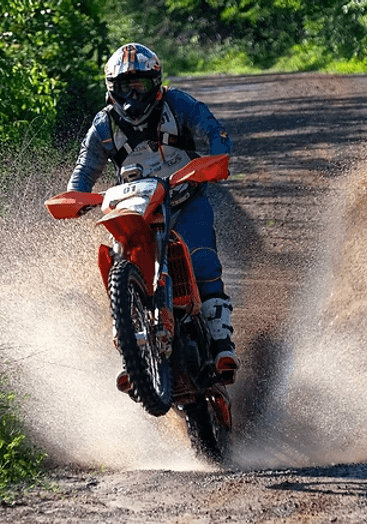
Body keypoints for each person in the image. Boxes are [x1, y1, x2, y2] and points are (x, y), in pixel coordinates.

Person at [67, 43, 238, 390]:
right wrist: (75, 195)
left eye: (140, 85)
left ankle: (222, 345)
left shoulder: (178, 104)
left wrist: (218, 158)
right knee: (118, 265)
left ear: (155, 83)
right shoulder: (103, 125)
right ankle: (131, 355)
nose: (133, 95)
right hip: (135, 210)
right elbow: (84, 168)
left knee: (202, 260)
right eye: (124, 87)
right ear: (111, 88)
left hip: (184, 200)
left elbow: (211, 130)